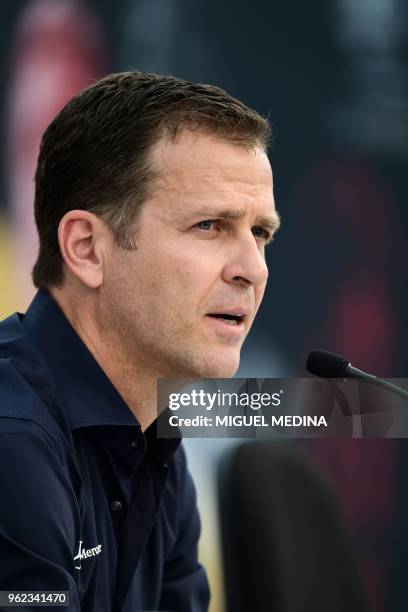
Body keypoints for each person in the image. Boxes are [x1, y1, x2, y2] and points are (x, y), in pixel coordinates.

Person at [0, 71, 280, 611]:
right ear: (86, 249)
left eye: (260, 233)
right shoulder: (14, 442)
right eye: (209, 226)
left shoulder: (153, 439)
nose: (252, 269)